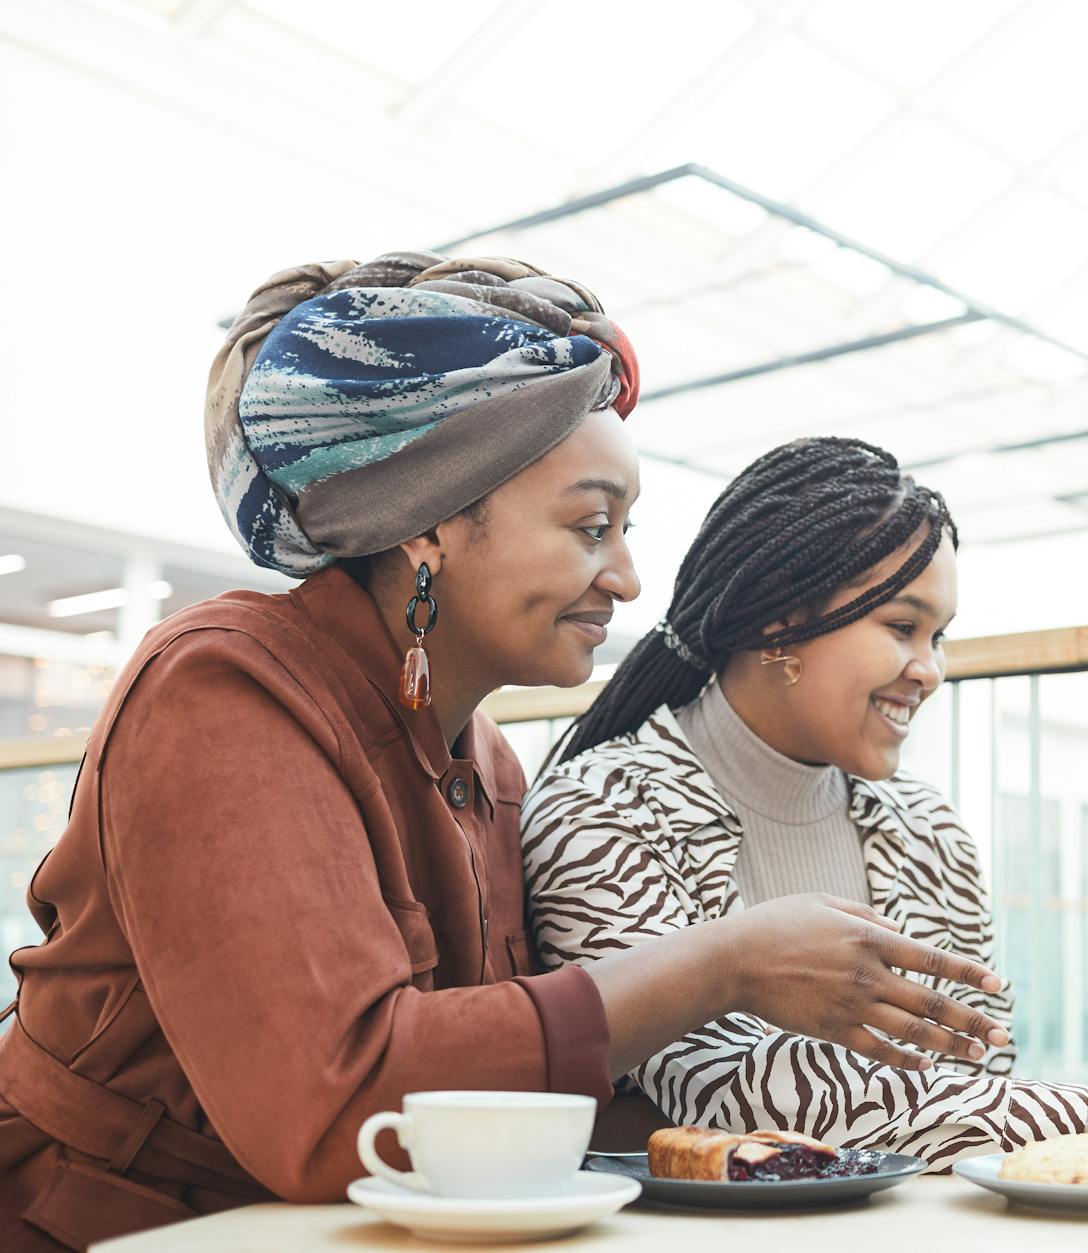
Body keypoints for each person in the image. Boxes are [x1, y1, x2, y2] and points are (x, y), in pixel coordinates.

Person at [0, 256, 1005, 1251]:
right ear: (432, 521)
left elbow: (499, 1084)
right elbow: (327, 1107)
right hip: (115, 1225)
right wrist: (721, 963)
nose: (626, 577)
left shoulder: (486, 759)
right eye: (591, 525)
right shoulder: (223, 690)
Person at [524, 436, 1088, 1168]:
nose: (930, 669)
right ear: (778, 626)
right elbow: (727, 1090)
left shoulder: (928, 834)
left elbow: (963, 1101)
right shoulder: (601, 812)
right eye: (901, 627)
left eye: (940, 636)